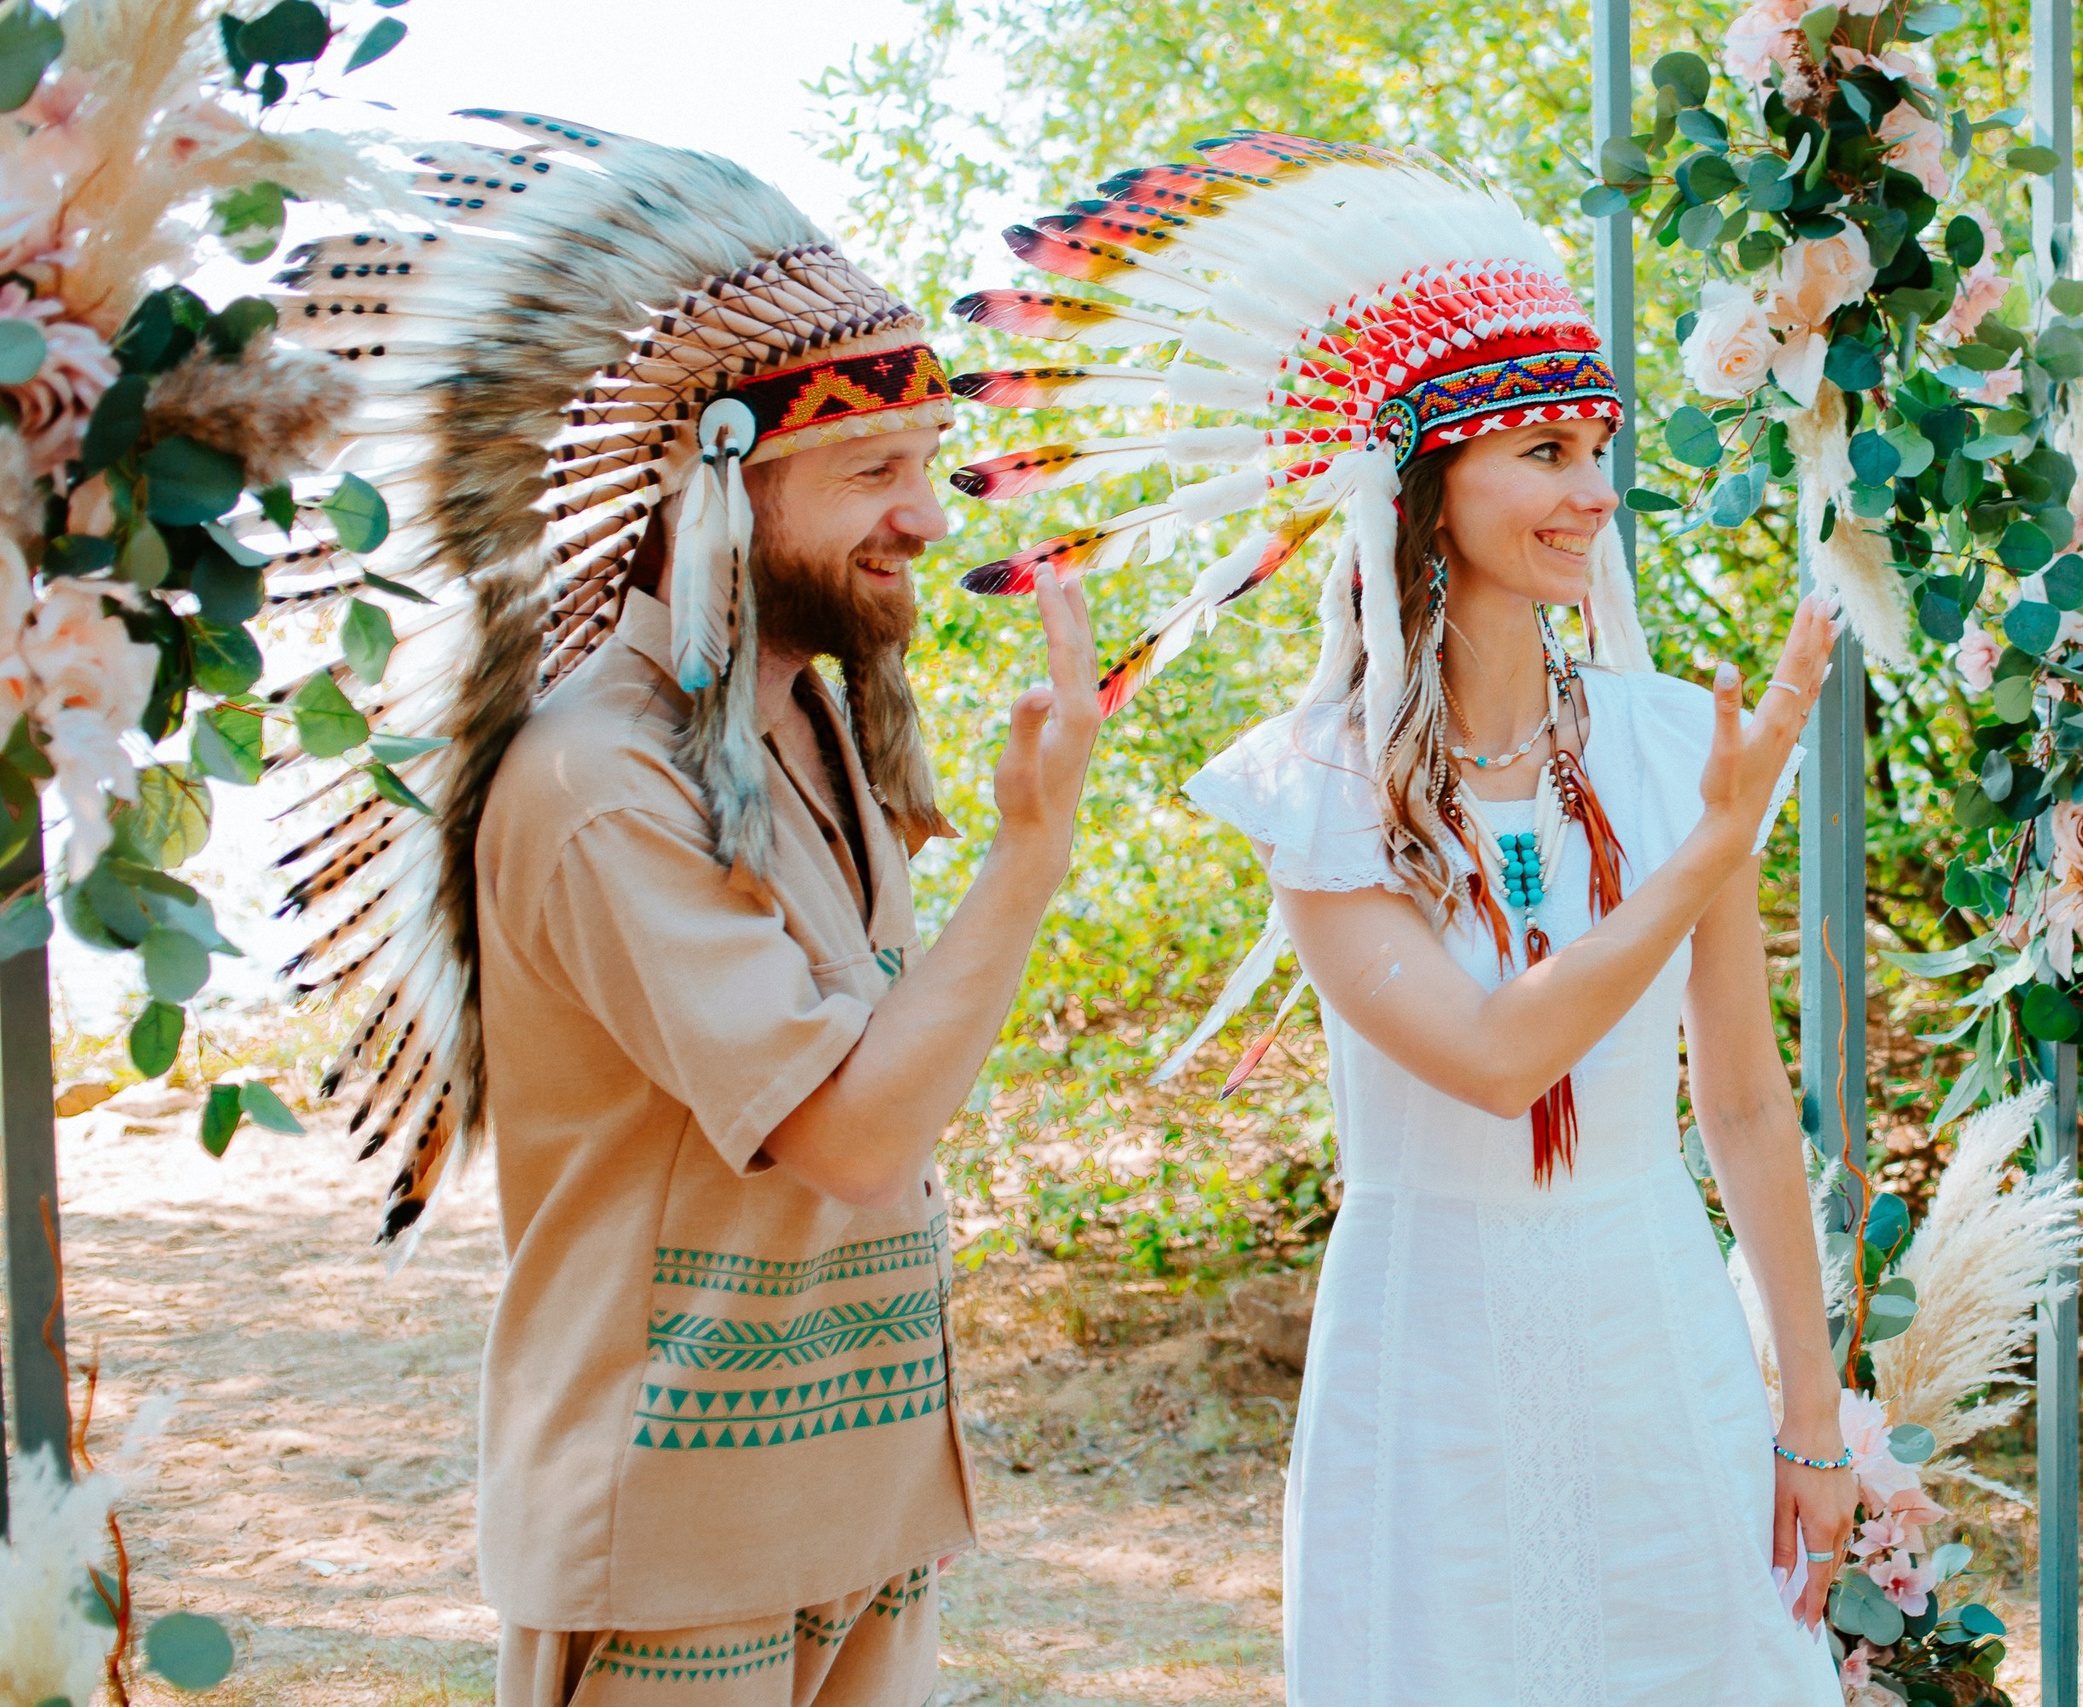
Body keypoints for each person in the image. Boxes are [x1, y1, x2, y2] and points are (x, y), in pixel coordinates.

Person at [949, 132, 1856, 1702]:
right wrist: (1708, 856)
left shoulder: (1666, 743)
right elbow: (1499, 1060)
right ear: (1429, 491)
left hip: (1654, 1324)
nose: (1593, 491)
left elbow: (1750, 1105)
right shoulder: (1321, 786)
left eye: (1597, 446)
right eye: (1545, 453)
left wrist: (1815, 1422)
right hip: (1430, 1356)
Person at [271, 117, 1100, 1706]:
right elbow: (852, 1142)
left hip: (859, 1498)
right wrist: (1028, 857)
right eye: (871, 469)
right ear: (716, 479)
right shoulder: (599, 776)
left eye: (925, 466)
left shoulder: (804, 720)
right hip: (671, 1531)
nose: (924, 516)